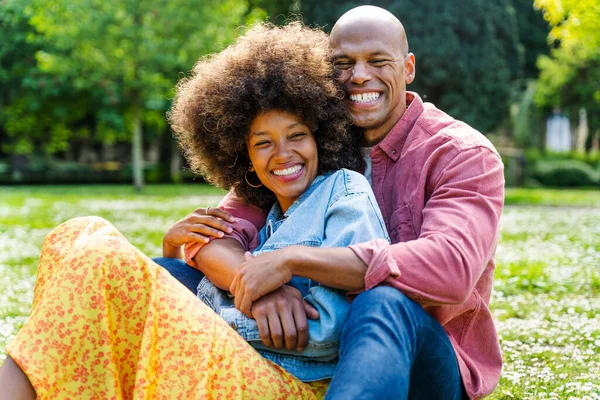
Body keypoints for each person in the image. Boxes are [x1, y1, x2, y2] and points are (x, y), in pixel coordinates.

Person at [0, 21, 388, 399]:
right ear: (245, 157)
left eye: (297, 135)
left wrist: (235, 307)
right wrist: (186, 262)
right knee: (74, 235)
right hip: (227, 357)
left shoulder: (343, 189)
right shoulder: (264, 222)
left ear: (321, 135)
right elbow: (197, 269)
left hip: (287, 381)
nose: (283, 154)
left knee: (103, 254)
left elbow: (329, 332)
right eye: (263, 143)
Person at [158, 5, 505, 400]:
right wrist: (260, 285)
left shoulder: (460, 153)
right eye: (342, 63)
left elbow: (450, 268)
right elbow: (217, 237)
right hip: (311, 345)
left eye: (377, 61)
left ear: (408, 68)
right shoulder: (309, 141)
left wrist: (291, 260)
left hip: (422, 359)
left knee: (382, 300)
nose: (359, 76)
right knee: (167, 275)